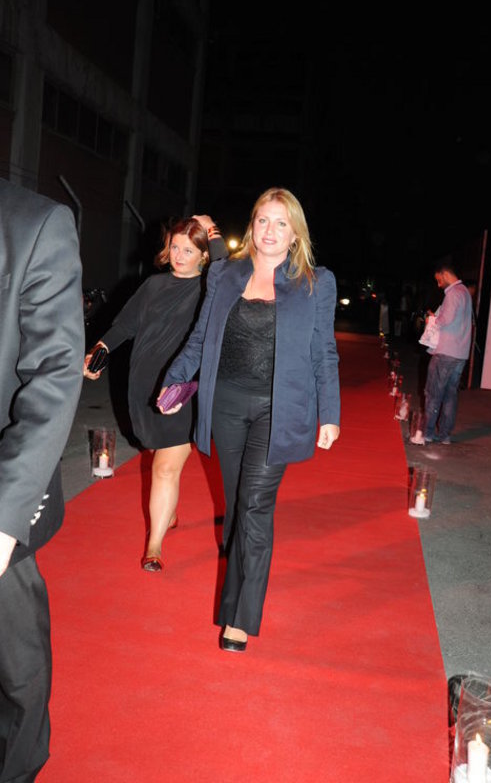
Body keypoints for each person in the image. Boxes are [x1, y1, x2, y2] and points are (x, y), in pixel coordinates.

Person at [159, 187, 340, 652]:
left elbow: (324, 351)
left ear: (295, 233)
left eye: (282, 223)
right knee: (238, 504)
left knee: (256, 505)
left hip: (278, 410)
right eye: (263, 220)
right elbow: (201, 337)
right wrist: (175, 380)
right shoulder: (224, 274)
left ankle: (239, 618)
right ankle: (235, 594)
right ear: (252, 225)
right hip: (226, 405)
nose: (271, 230)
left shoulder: (315, 283)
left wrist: (330, 412)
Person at [83, 216, 227, 571]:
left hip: (182, 392)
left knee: (164, 469)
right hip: (142, 387)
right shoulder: (152, 285)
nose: (179, 255)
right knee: (157, 455)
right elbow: (124, 325)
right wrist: (100, 349)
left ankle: (154, 547)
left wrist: (213, 231)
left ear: (204, 255)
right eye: (175, 247)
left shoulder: (211, 289)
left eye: (189, 250)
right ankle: (169, 509)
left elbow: (227, 269)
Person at [0, 178, 84, 782]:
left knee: (14, 664)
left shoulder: (34, 223)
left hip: (1, 481)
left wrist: (5, 515)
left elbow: (55, 374)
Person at [422, 258, 472, 444]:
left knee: (434, 393)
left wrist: (432, 319)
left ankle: (427, 433)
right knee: (450, 394)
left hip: (446, 352)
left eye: (439, 280)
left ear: (445, 274)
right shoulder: (465, 292)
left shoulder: (453, 293)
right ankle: (445, 435)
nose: (438, 284)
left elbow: (446, 319)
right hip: (460, 353)